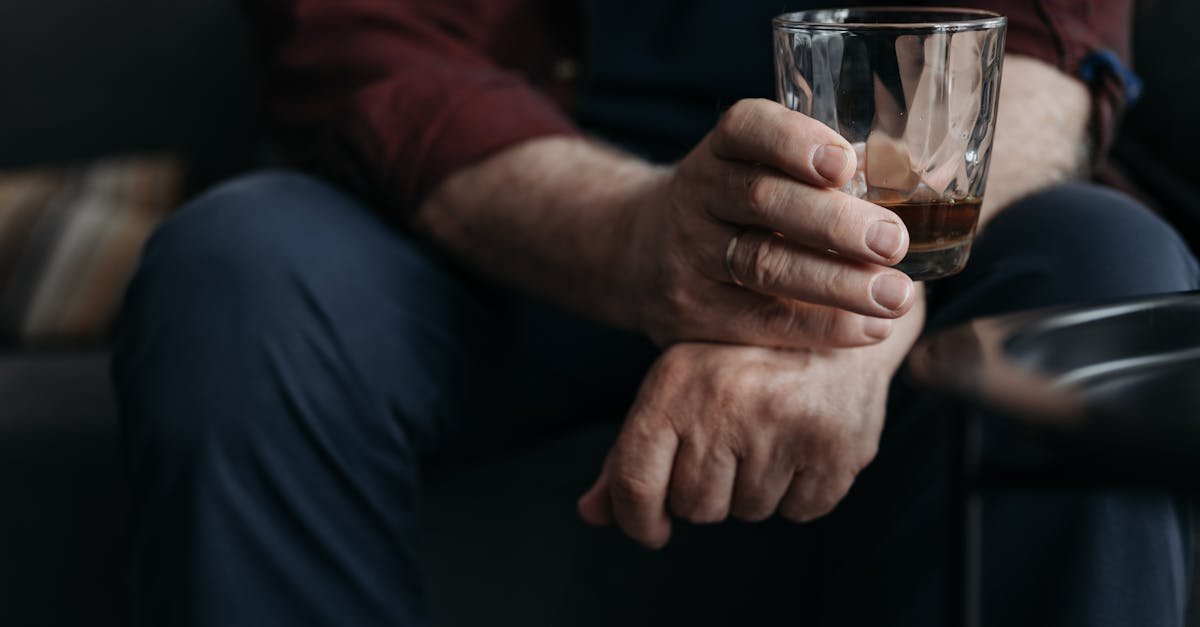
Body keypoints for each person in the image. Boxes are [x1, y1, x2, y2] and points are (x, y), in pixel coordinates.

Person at [113, 0, 1196, 625]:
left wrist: (844, 312)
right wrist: (645, 243)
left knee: (1110, 271)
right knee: (234, 272)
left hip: (901, 220)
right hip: (514, 227)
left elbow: (1044, 43)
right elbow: (363, 43)